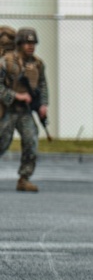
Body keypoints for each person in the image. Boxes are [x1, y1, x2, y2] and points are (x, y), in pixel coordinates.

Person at [0, 27, 49, 192]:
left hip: (25, 112)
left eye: (33, 43)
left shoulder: (37, 64)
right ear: (19, 43)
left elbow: (42, 85)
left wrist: (43, 105)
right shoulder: (6, 62)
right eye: (27, 42)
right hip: (7, 110)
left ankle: (24, 178)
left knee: (31, 141)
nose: (30, 46)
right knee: (2, 143)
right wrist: (15, 95)